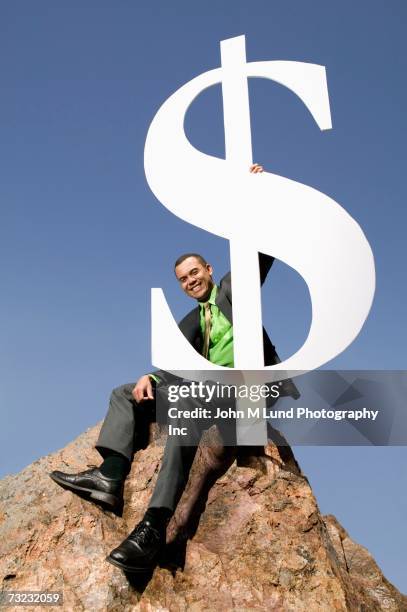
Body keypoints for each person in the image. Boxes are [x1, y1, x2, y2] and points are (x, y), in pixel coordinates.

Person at [49, 163, 298, 573]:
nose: (190, 282)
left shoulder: (235, 293)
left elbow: (264, 250)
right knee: (124, 391)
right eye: (183, 279)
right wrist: (152, 377)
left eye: (195, 273)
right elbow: (174, 367)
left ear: (210, 271)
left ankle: (152, 527)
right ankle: (110, 477)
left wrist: (261, 194)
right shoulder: (190, 322)